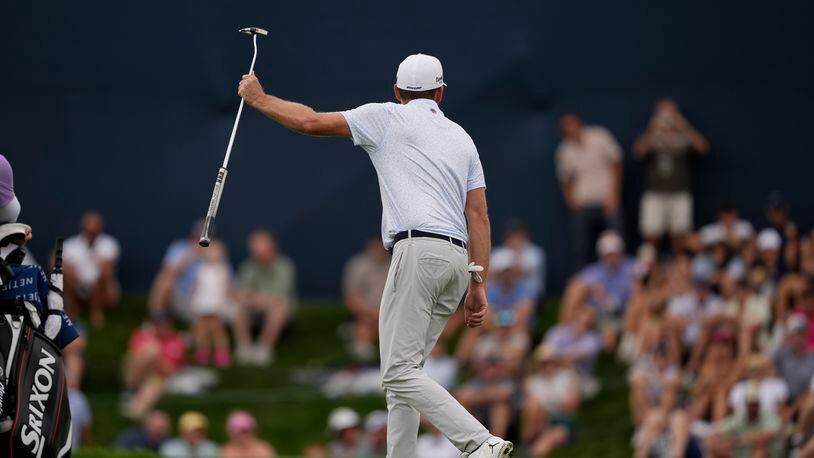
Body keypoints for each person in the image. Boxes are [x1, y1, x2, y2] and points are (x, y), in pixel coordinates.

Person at [238, 53, 510, 456]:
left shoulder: (386, 116)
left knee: (397, 372)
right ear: (440, 92)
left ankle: (478, 442)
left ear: (397, 91)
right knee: (407, 375)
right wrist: (477, 282)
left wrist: (259, 99)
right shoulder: (462, 137)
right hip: (457, 263)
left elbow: (310, 121)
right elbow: (480, 216)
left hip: (417, 253)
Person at [633, 98, 709, 252]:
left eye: (670, 114)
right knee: (650, 236)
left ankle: (677, 271)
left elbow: (703, 148)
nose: (667, 118)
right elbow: (638, 152)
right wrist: (653, 130)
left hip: (679, 193)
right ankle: (649, 272)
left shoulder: (684, 137)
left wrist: (684, 126)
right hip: (654, 193)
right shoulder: (652, 136)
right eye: (663, 113)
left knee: (679, 237)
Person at [555, 113, 623, 269]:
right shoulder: (564, 150)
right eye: (566, 127)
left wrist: (615, 194)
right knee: (581, 247)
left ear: (579, 123)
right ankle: (585, 280)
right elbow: (565, 179)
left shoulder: (600, 137)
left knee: (616, 241)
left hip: (607, 200)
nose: (570, 129)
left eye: (572, 125)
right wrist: (571, 200)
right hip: (584, 204)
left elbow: (616, 164)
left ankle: (622, 276)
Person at [560, 230, 635, 351]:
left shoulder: (631, 267)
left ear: (621, 252)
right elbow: (576, 284)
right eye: (607, 254)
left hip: (622, 315)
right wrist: (595, 291)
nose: (611, 258)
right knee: (576, 289)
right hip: (600, 315)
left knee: (637, 297)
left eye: (614, 253)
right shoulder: (595, 271)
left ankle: (629, 340)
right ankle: (562, 335)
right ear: (601, 255)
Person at [234, 230, 297, 366]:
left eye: (263, 251)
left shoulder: (284, 266)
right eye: (256, 252)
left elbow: (279, 298)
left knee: (280, 307)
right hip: (255, 311)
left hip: (278, 313)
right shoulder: (248, 266)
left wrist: (254, 297)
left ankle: (264, 348)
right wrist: (258, 299)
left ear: (272, 249)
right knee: (238, 306)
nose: (260, 256)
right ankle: (244, 348)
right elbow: (242, 295)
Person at [122, 311, 186, 419]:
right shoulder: (142, 336)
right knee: (151, 350)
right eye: (157, 323)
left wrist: (155, 359)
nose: (160, 326)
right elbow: (133, 359)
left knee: (154, 383)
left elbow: (169, 370)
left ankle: (136, 411)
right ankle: (131, 389)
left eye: (163, 323)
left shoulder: (176, 341)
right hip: (136, 374)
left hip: (159, 377)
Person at [63, 210, 121, 327]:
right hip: (76, 284)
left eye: (95, 226)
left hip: (101, 287)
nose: (92, 230)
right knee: (64, 271)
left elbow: (107, 268)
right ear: (83, 226)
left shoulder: (109, 243)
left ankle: (96, 311)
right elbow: (59, 262)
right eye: (89, 226)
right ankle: (72, 309)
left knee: (104, 276)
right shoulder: (71, 244)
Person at [520, 345, 580, 457]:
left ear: (556, 361)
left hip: (561, 421)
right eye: (544, 363)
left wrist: (548, 401)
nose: (548, 366)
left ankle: (529, 445)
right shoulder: (533, 381)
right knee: (533, 404)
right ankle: (529, 438)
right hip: (540, 420)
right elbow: (528, 406)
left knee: (546, 442)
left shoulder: (567, 377)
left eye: (550, 361)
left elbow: (572, 405)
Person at [342, 236, 390, 361]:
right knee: (366, 324)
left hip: (390, 313)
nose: (380, 249)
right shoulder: (358, 265)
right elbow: (351, 296)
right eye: (377, 246)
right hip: (366, 313)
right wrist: (370, 312)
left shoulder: (396, 265)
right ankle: (362, 350)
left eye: (383, 246)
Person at [149, 220, 207, 321]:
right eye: (198, 236)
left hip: (202, 300)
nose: (200, 240)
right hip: (180, 297)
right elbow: (168, 272)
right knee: (164, 281)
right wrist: (190, 256)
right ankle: (155, 320)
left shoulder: (215, 253)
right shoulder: (179, 247)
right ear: (192, 234)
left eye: (204, 237)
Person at [189, 240, 233, 368]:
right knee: (202, 330)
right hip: (202, 305)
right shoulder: (200, 269)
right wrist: (194, 303)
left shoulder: (223, 270)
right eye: (209, 251)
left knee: (217, 331)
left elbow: (226, 289)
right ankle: (203, 353)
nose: (211, 254)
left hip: (216, 307)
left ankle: (222, 354)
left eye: (215, 251)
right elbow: (196, 287)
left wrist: (223, 305)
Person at [491, 220, 546, 298]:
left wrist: (504, 272)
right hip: (501, 293)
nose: (514, 238)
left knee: (527, 291)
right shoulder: (498, 253)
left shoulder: (535, 252)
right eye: (511, 235)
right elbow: (491, 274)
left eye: (517, 235)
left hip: (527, 295)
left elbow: (521, 272)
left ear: (524, 235)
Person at [774, 313, 814, 402]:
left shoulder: (812, 359)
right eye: (794, 334)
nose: (797, 338)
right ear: (789, 335)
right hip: (783, 401)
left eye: (801, 334)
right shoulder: (780, 354)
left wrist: (794, 409)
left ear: (806, 335)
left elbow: (811, 390)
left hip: (804, 402)